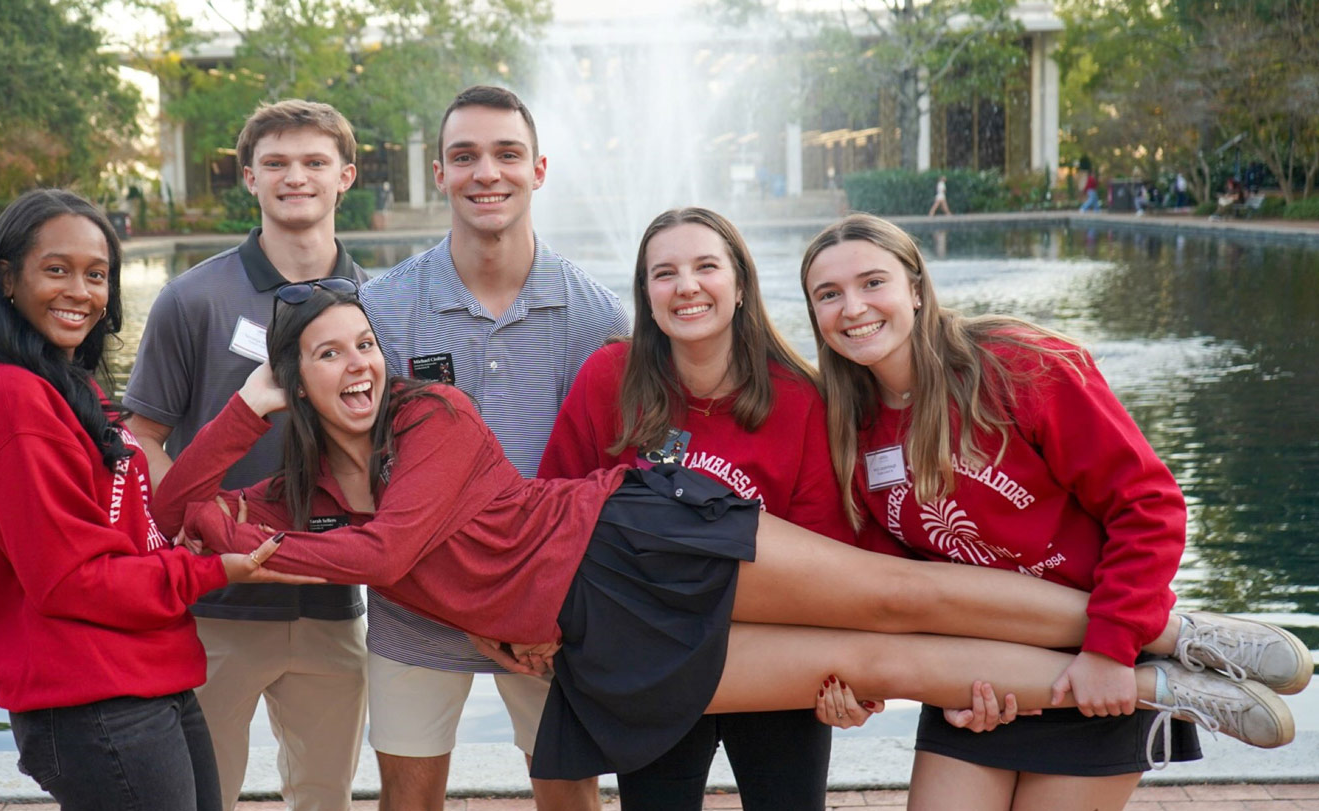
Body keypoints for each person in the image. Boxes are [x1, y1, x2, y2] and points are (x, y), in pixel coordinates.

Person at [151, 279, 1306, 787]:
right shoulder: (299, 492)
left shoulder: (432, 412)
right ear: (297, 384)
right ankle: (1167, 693)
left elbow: (388, 558)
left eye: (364, 345)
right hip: (595, 636)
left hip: (635, 536)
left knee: (895, 594)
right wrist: (241, 417)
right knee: (886, 661)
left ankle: (1173, 629)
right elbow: (170, 510)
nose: (358, 366)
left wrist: (243, 550)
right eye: (327, 356)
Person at [798, 213, 1313, 810]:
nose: (853, 307)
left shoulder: (1018, 365)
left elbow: (1148, 505)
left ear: (915, 287)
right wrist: (907, 681)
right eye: (828, 294)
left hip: (1106, 661)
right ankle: (1181, 665)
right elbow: (889, 581)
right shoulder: (844, 424)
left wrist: (1110, 649)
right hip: (983, 674)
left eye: (872, 283)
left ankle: (1179, 663)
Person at [0, 189, 314, 808]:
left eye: (96, 275)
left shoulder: (66, 386)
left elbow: (152, 511)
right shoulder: (13, 402)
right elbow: (71, 581)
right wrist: (207, 572)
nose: (80, 292)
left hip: (147, 674)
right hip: (92, 696)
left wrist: (250, 408)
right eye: (56, 269)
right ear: (8, 278)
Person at [537, 207, 905, 810]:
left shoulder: (801, 397)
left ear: (740, 286)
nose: (686, 286)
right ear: (646, 294)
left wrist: (850, 676)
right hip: (651, 654)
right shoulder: (609, 377)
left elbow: (832, 560)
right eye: (665, 273)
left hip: (773, 650)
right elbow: (554, 515)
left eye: (706, 266)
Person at [358, 85, 626, 811]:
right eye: (465, 156)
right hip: (417, 607)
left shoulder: (595, 314)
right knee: (406, 801)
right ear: (439, 173)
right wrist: (475, 610)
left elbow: (608, 485)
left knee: (569, 795)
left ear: (538, 170)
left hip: (545, 619)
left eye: (507, 154)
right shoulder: (383, 308)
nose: (487, 173)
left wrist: (544, 615)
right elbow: (363, 480)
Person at [123, 100, 369, 811]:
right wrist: (202, 528)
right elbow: (141, 436)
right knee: (204, 796)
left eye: (315, 162)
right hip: (215, 606)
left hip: (333, 607)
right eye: (278, 164)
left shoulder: (379, 301)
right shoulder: (193, 298)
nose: (297, 178)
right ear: (250, 178)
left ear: (345, 176)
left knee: (326, 798)